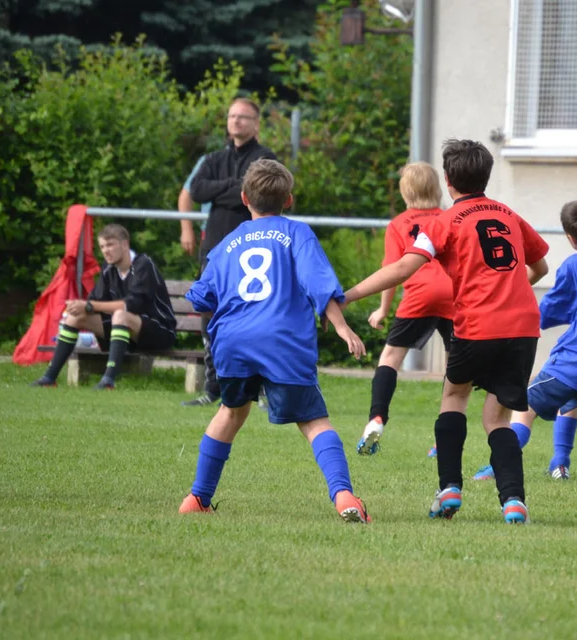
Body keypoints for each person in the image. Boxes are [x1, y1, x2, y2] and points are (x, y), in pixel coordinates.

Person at [343, 139, 549, 524]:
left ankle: (449, 489)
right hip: (523, 328)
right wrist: (512, 282)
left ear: (449, 181)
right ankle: (513, 501)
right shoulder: (509, 215)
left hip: (477, 324)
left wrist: (348, 296)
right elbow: (540, 267)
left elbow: (404, 269)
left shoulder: (445, 221)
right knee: (498, 419)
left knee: (454, 397)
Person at [178, 159, 371, 523]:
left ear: (243, 198)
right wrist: (342, 327)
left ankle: (195, 499)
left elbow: (201, 297)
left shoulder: (229, 242)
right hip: (281, 340)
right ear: (289, 200)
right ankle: (344, 496)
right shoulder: (297, 234)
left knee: (230, 412)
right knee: (314, 420)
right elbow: (319, 283)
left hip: (233, 342)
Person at [471, 200, 577, 481]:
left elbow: (550, 310)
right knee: (567, 401)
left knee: (524, 407)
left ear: (570, 237)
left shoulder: (575, 265)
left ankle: (498, 469)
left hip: (576, 358)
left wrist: (514, 320)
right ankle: (559, 463)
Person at [182, 98, 277, 407]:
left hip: (253, 250)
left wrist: (224, 190)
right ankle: (213, 388)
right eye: (232, 116)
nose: (236, 121)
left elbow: (260, 192)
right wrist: (236, 189)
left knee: (254, 317)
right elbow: (197, 191)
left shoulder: (265, 159)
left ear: (256, 123)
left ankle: (260, 387)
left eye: (243, 117)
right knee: (209, 315)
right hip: (214, 251)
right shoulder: (213, 158)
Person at [357, 162, 455, 455]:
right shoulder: (451, 218)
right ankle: (443, 439)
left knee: (390, 357)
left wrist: (383, 310)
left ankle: (377, 418)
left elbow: (393, 272)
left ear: (405, 191)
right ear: (437, 187)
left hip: (420, 295)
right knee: (454, 369)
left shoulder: (398, 224)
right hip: (454, 294)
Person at [31, 224, 177, 390]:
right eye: (102, 247)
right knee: (75, 317)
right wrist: (80, 307)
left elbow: (131, 305)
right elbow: (95, 300)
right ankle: (49, 378)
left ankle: (108, 380)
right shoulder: (109, 268)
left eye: (110, 245)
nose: (105, 251)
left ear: (125, 244)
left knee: (120, 314)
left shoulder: (143, 264)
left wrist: (90, 305)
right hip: (125, 332)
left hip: (160, 332)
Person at [177, 154, 212, 257]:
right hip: (212, 235)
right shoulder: (210, 160)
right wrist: (186, 230)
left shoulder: (259, 158)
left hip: (249, 234)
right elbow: (186, 196)